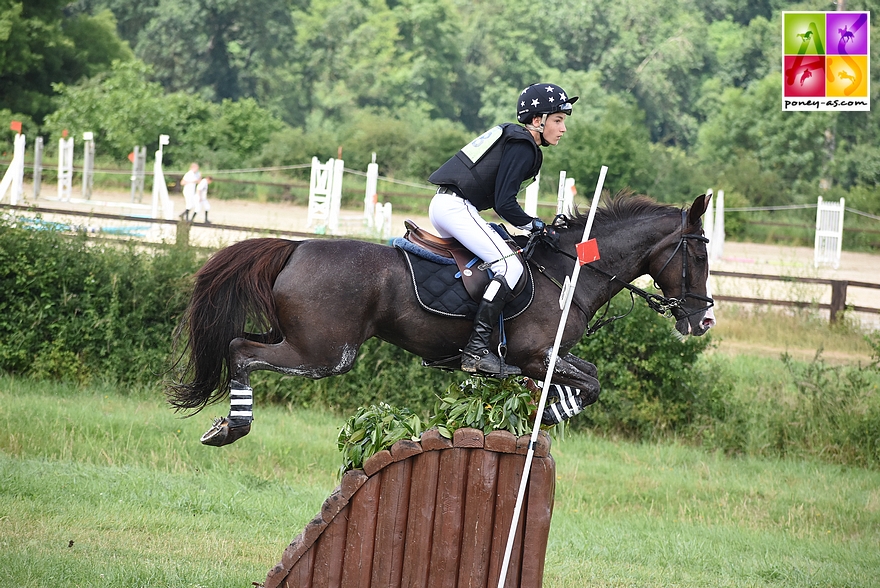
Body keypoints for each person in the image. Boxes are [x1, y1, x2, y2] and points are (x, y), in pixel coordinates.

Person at [428, 82, 577, 377]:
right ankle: (476, 350)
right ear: (538, 120)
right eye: (558, 120)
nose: (562, 129)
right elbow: (504, 203)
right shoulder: (523, 145)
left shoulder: (514, 137)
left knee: (492, 260)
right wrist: (536, 225)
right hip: (456, 208)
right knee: (510, 268)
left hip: (448, 206)